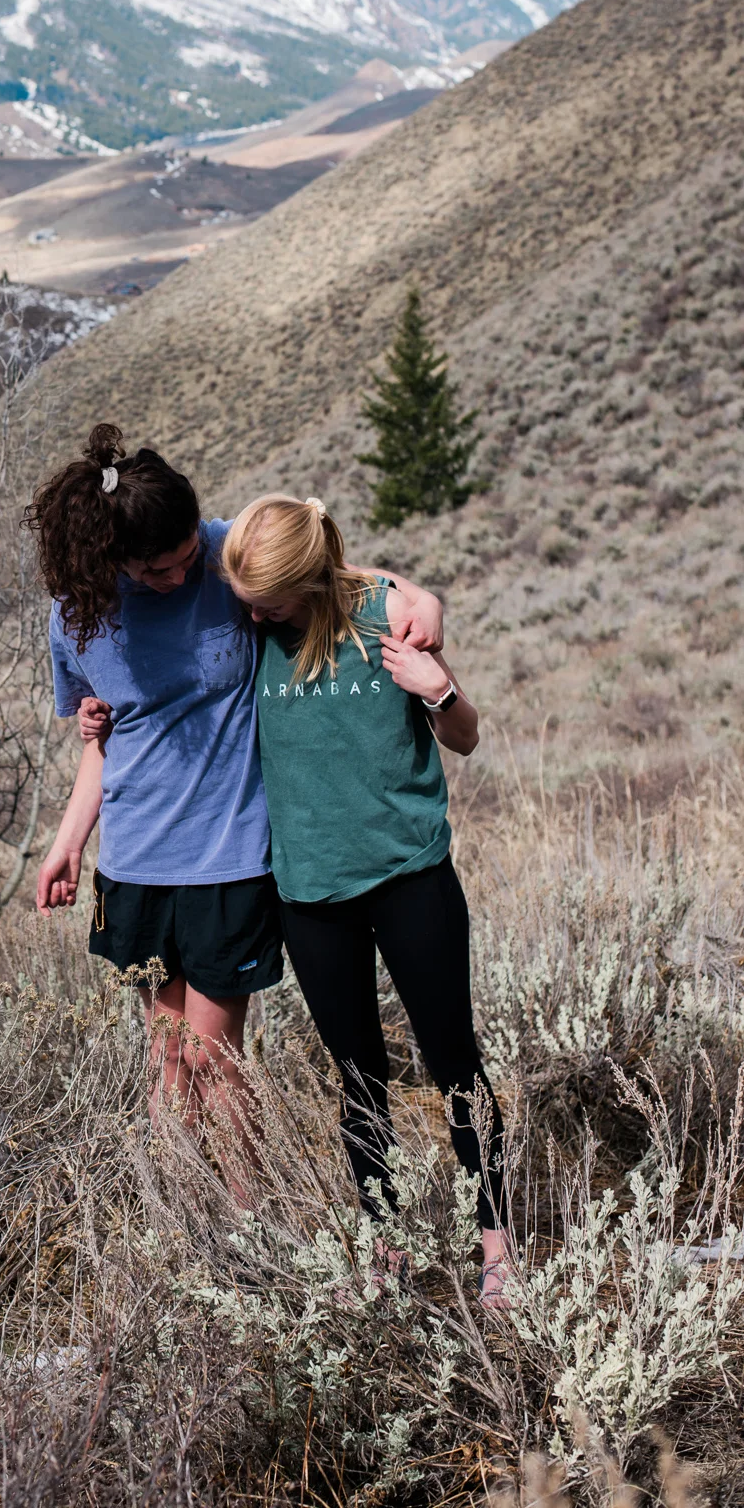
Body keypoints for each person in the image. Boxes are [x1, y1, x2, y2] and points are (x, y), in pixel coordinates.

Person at [27, 425, 443, 1168]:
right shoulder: (78, 613)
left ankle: (252, 1222)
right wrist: (67, 845)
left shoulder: (221, 555)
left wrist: (420, 596)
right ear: (111, 558)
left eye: (190, 556)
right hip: (134, 863)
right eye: (157, 570)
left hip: (229, 859)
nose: (180, 576)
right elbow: (103, 742)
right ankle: (191, 1222)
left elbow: (326, 566)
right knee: (167, 1059)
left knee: (214, 1057)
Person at [220, 491, 512, 1307]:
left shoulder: (388, 618)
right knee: (358, 1079)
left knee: (453, 1063)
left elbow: (464, 736)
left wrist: (435, 687)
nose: (253, 615)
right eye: (246, 601)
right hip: (310, 894)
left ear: (309, 581)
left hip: (411, 878)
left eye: (269, 602)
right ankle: (386, 1247)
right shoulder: (250, 629)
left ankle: (497, 1245)